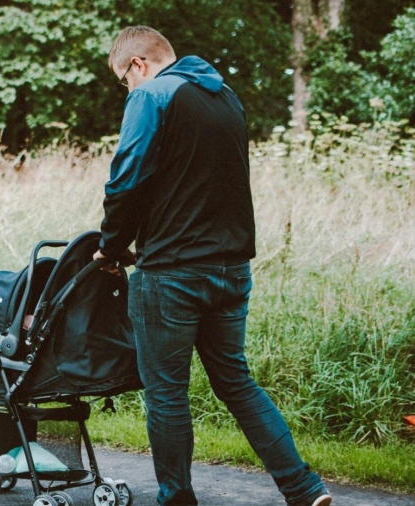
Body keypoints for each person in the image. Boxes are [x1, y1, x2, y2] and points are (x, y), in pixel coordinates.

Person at [92, 26, 332, 506]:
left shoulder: (152, 96)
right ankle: (304, 489)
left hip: (173, 273)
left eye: (124, 79)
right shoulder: (225, 97)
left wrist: (111, 248)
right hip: (232, 269)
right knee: (236, 383)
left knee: (166, 394)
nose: (127, 89)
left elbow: (125, 182)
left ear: (138, 64)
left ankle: (176, 499)